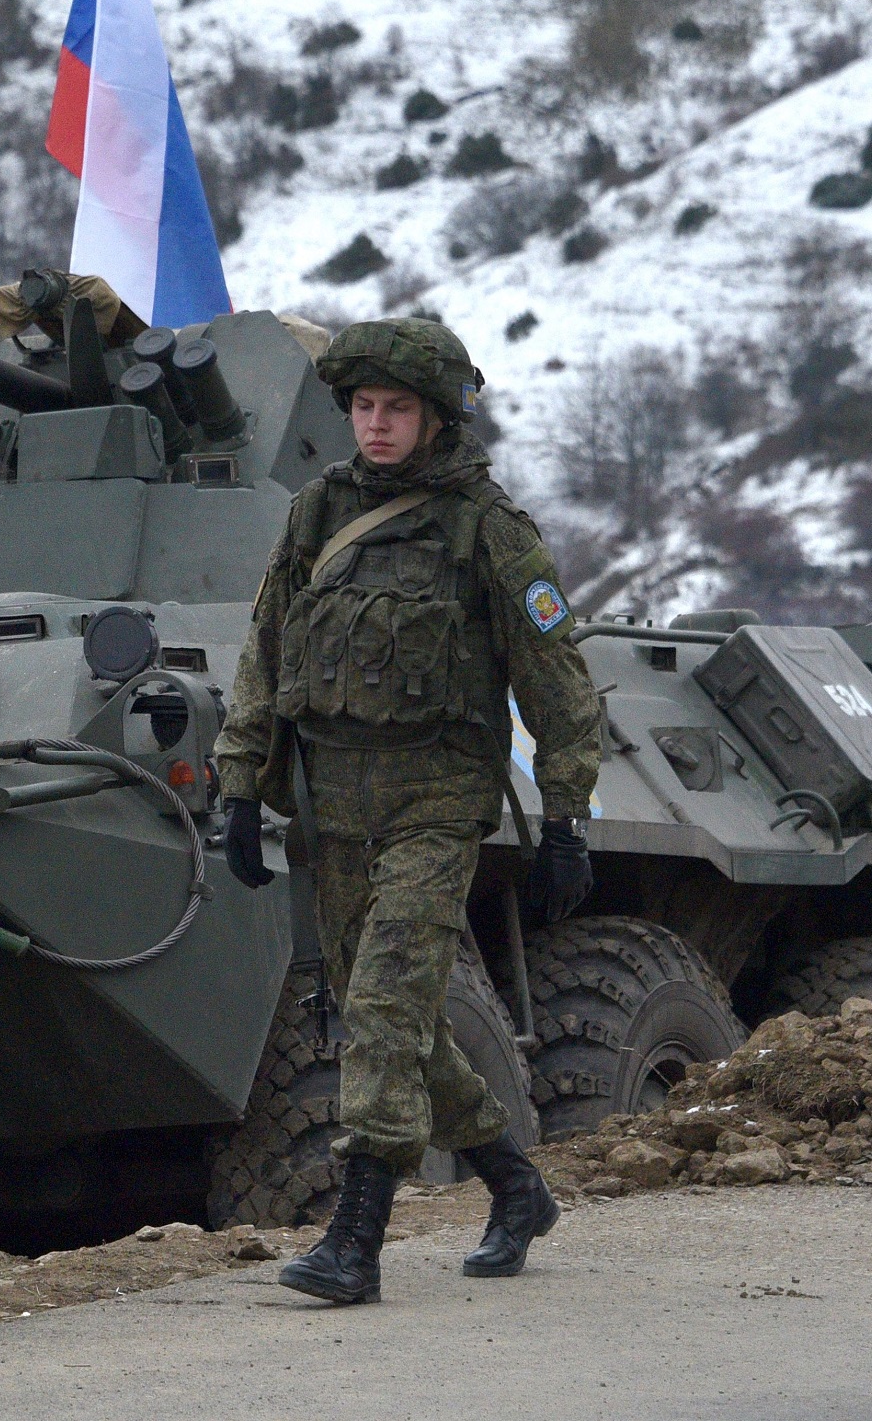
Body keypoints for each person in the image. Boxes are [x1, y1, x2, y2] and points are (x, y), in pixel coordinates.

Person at [213, 317, 604, 1306]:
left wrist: (565, 817)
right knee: (388, 1019)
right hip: (334, 808)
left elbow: (555, 678)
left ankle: (354, 1240)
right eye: (362, 407)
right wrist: (240, 791)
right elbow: (264, 654)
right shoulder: (314, 514)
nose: (376, 424)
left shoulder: (487, 527)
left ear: (435, 417)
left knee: (383, 1009)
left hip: (434, 803)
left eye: (396, 408)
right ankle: (515, 1186)